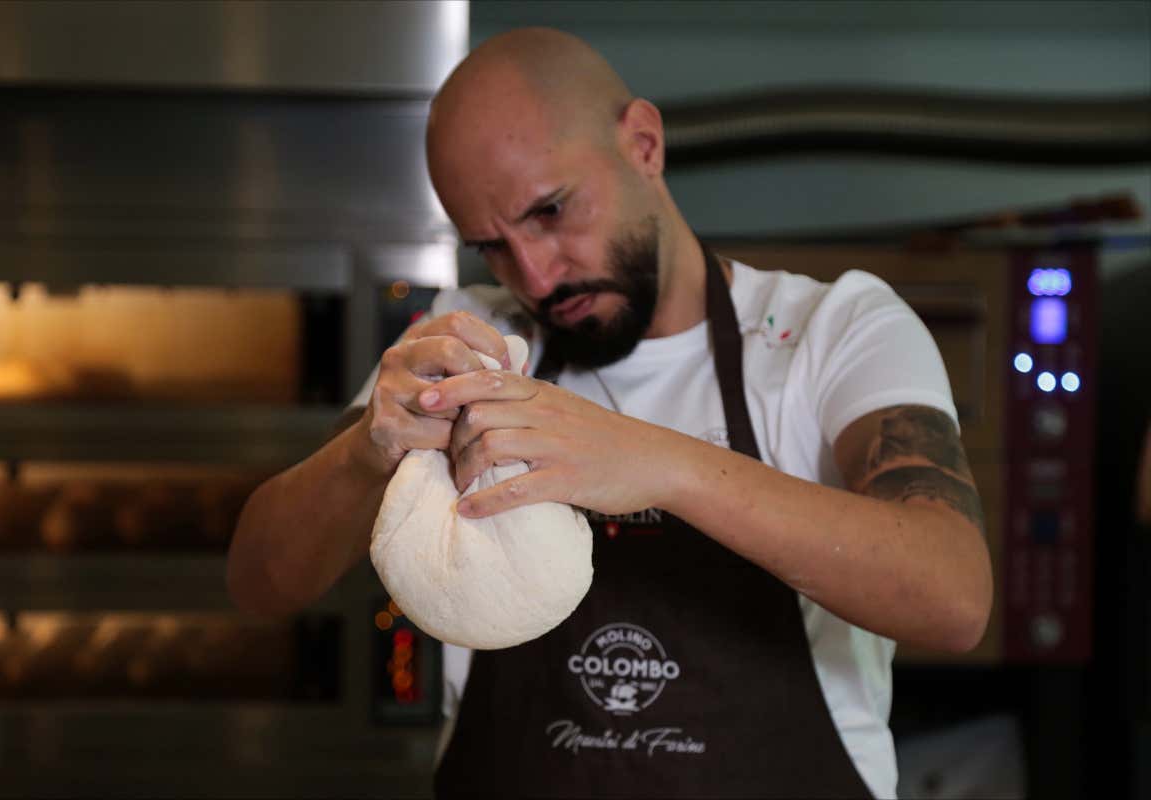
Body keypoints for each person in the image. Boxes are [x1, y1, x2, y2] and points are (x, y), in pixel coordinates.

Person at [227, 27, 993, 799]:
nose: (534, 273)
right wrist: (369, 448)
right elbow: (260, 584)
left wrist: (663, 464)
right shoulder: (469, 342)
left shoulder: (835, 332)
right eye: (490, 246)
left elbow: (954, 598)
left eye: (551, 211)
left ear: (645, 145)